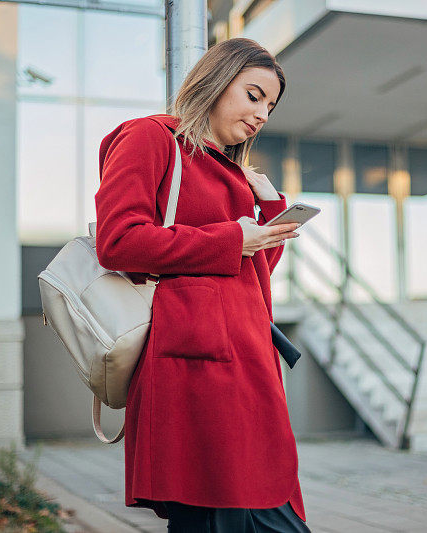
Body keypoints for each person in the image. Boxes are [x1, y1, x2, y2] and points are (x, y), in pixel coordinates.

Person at [94, 37, 310, 532]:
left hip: (248, 365)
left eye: (271, 106)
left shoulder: (233, 173)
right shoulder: (151, 138)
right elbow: (118, 241)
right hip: (196, 372)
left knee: (264, 512)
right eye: (253, 95)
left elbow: (247, 274)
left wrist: (271, 209)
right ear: (216, 80)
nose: (262, 115)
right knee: (223, 516)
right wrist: (234, 235)